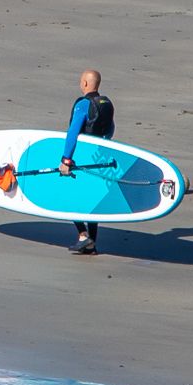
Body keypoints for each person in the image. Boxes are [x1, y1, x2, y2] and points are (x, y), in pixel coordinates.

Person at [56, 69, 116, 255]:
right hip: (99, 158)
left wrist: (66, 159)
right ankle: (92, 244)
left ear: (84, 83)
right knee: (91, 199)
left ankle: (83, 236)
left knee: (68, 196)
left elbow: (73, 132)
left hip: (81, 157)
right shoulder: (106, 103)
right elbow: (110, 129)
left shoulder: (83, 104)